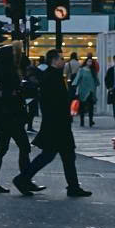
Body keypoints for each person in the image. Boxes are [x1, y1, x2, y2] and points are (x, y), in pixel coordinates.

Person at [17, 49, 92, 198]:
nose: (63, 61)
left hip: (56, 123)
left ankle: (72, 186)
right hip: (58, 124)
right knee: (52, 155)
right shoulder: (53, 77)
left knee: (64, 155)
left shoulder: (51, 76)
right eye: (61, 59)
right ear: (54, 60)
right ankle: (22, 179)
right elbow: (55, 102)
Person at [0, 45, 40, 195]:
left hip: (6, 116)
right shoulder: (8, 71)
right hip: (12, 115)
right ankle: (25, 181)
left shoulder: (2, 70)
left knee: (1, 149)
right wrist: (20, 91)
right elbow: (11, 92)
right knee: (23, 147)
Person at [73, 59, 99, 128]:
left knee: (91, 107)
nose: (90, 63)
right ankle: (82, 121)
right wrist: (75, 87)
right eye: (88, 61)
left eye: (91, 62)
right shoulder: (81, 70)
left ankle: (91, 121)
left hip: (91, 91)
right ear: (86, 62)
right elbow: (77, 79)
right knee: (82, 107)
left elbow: (96, 81)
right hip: (83, 90)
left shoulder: (93, 71)